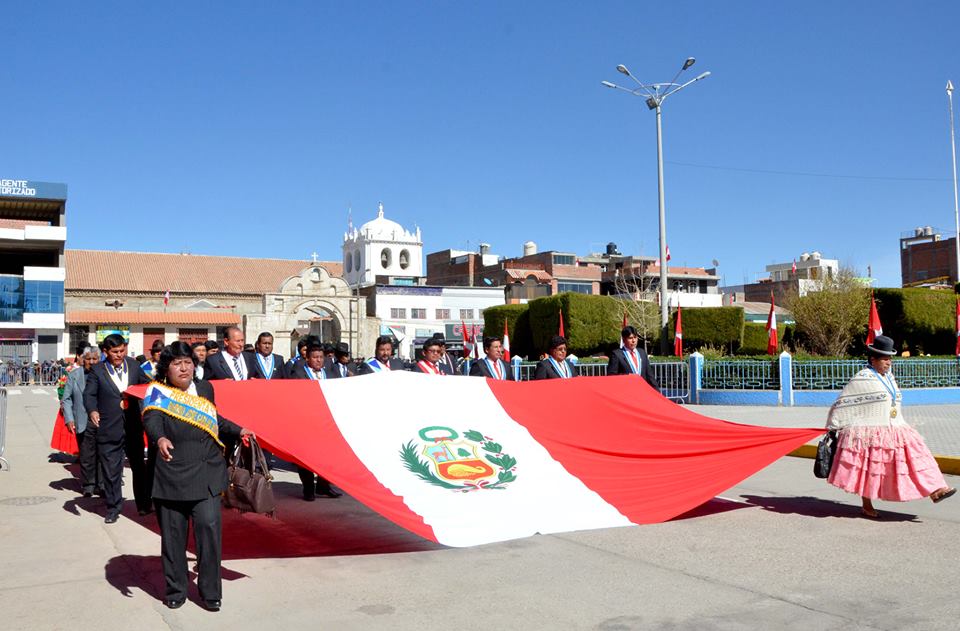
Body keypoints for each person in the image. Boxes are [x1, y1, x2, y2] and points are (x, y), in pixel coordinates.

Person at [142, 341, 253, 611]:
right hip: (173, 475)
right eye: (176, 363)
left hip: (206, 474)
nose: (184, 368)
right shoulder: (157, 392)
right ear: (166, 369)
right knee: (173, 539)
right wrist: (160, 439)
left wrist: (239, 430)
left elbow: (214, 419)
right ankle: (176, 590)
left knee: (209, 533)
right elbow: (151, 420)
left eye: (188, 362)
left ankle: (211, 591)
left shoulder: (205, 389)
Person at [825, 335, 956, 518]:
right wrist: (833, 425)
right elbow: (843, 403)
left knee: (919, 458)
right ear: (873, 359)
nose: (889, 362)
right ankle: (867, 505)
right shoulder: (862, 378)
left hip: (896, 427)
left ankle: (936, 490)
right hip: (869, 431)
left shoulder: (889, 377)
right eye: (885, 359)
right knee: (870, 469)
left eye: (890, 359)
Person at [83, 333, 153, 522]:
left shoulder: (134, 366)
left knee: (139, 467)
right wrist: (92, 411)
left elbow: (147, 386)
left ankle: (144, 504)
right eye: (115, 352)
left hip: (132, 427)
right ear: (106, 352)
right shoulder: (97, 371)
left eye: (122, 350)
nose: (119, 355)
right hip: (109, 428)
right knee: (111, 471)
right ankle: (113, 508)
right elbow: (89, 395)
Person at [286, 344, 342, 499]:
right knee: (306, 457)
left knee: (328, 455)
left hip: (327, 421)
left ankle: (323, 485)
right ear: (307, 359)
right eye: (315, 357)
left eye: (321, 357)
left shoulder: (330, 373)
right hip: (306, 422)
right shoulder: (298, 374)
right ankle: (308, 488)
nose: (318, 360)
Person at [62, 346, 102, 496]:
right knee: (86, 455)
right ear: (83, 359)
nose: (91, 362)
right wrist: (69, 418)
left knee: (102, 454)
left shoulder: (105, 374)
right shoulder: (74, 375)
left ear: (99, 359)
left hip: (102, 420)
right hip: (83, 420)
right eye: (88, 359)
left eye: (94, 359)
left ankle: (102, 485)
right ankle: (88, 485)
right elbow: (66, 399)